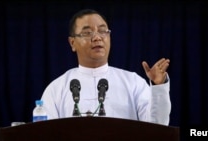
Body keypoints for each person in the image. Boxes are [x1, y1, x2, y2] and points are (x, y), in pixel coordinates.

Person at [40, 9, 171, 125]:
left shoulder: (133, 83)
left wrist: (158, 86)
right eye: (87, 33)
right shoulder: (56, 89)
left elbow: (157, 127)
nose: (97, 37)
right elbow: (43, 134)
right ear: (72, 42)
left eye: (103, 31)